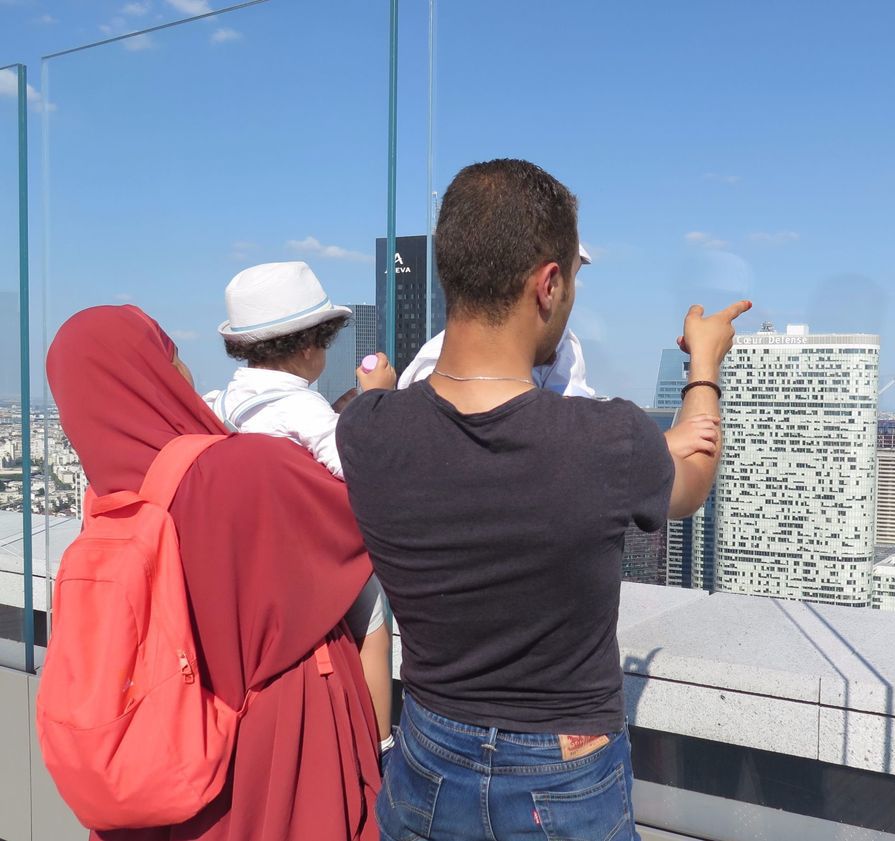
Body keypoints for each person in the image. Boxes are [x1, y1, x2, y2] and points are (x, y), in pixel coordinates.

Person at [337, 158, 749, 840]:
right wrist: (703, 365)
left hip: (428, 753)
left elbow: (380, 397)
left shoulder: (367, 433)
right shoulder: (603, 440)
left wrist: (379, 379)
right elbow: (694, 478)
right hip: (566, 774)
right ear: (548, 283)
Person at [46, 305, 381, 841]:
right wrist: (375, 406)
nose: (189, 374)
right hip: (268, 757)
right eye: (173, 356)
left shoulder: (105, 503)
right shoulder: (240, 468)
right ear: (153, 373)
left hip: (161, 763)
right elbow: (370, 514)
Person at [203, 260, 395, 744]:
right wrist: (375, 406)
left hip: (239, 572)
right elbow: (365, 480)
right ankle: (378, 743)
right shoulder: (305, 410)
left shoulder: (216, 404)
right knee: (373, 607)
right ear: (311, 344)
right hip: (298, 574)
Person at [399, 244, 722, 459]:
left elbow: (571, 417)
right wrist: (655, 445)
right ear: (548, 284)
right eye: (571, 278)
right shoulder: (433, 362)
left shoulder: (564, 345)